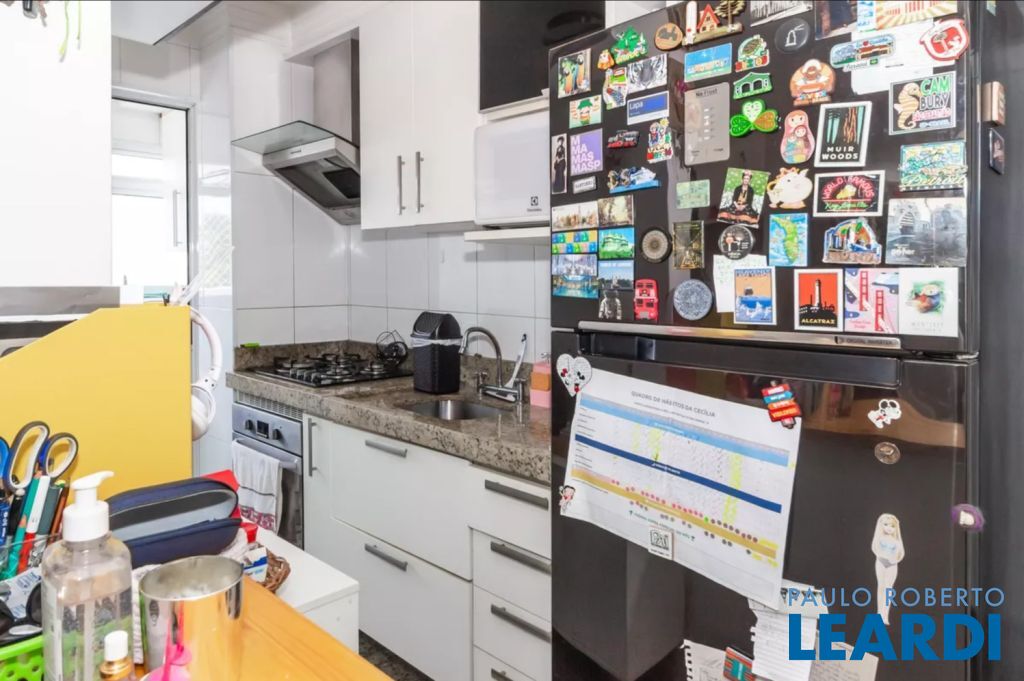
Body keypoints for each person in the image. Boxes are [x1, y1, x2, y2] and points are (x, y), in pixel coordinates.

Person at [872, 513, 905, 625]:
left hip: (892, 565)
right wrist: (881, 556)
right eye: (886, 525)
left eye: (892, 526)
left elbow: (900, 554)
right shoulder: (879, 538)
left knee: (888, 589)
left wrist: (894, 560)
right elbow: (875, 549)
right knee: (881, 587)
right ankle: (879, 613)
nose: (889, 528)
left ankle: (885, 615)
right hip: (881, 563)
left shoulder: (897, 541)